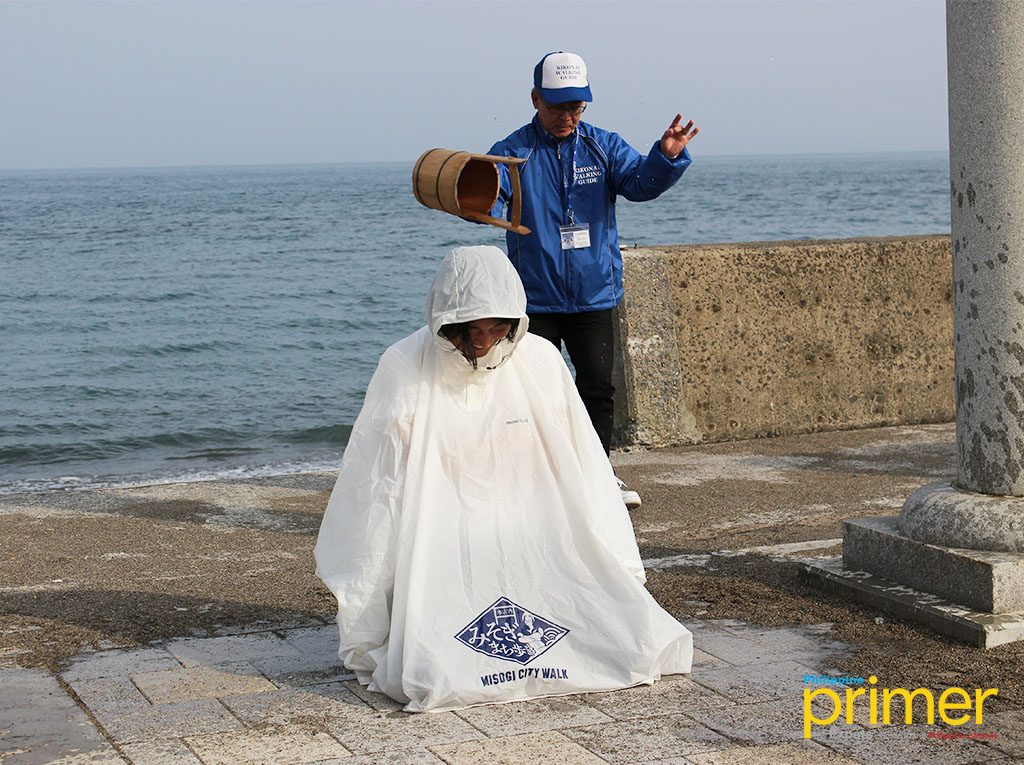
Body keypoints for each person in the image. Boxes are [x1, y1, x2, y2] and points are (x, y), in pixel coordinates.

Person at [315, 245, 692, 712]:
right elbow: (375, 484)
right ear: (444, 321)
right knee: (435, 668)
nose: (482, 343)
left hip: (530, 521)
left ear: (515, 323)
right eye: (469, 330)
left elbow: (583, 459)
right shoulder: (404, 363)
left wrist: (612, 550)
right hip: (442, 526)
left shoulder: (538, 360)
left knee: (626, 641)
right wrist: (367, 607)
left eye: (496, 329)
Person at [487, 51, 700, 510]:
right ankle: (534, 482)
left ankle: (598, 475)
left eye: (576, 107)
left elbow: (641, 184)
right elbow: (488, 196)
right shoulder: (513, 150)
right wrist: (474, 189)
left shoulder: (604, 145)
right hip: (534, 297)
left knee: (598, 388)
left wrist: (664, 157)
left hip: (594, 294)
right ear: (535, 99)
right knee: (532, 396)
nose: (567, 116)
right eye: (558, 106)